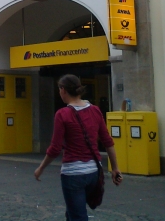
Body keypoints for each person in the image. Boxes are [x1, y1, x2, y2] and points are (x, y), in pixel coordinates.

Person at [34, 75, 122, 221]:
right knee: (72, 212)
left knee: (77, 216)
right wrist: (115, 168)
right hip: (94, 172)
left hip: (73, 174)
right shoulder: (95, 110)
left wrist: (41, 168)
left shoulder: (62, 114)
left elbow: (55, 148)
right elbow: (108, 142)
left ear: (63, 90)